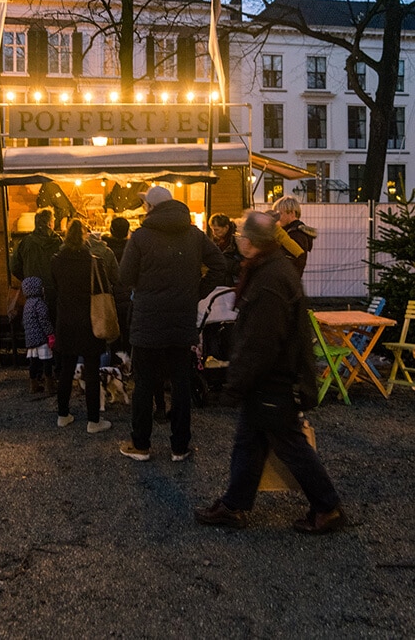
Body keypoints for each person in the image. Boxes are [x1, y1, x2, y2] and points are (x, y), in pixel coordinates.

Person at [194, 210, 346, 535]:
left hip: (275, 381)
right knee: (250, 440)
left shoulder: (269, 280)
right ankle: (234, 506)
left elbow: (259, 342)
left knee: (290, 444)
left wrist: (234, 385)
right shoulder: (271, 269)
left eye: (243, 236)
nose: (240, 240)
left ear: (253, 243)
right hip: (273, 380)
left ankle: (328, 506)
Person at [118, 186, 226, 462]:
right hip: (181, 317)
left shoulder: (141, 236)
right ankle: (180, 446)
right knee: (180, 383)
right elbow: (219, 265)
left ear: (151, 208)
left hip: (148, 320)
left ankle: (141, 444)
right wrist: (197, 291)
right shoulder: (194, 234)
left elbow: (125, 276)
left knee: (143, 383)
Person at [51, 219, 112, 434]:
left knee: (66, 370)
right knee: (92, 371)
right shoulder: (94, 261)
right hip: (90, 321)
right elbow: (106, 287)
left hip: (65, 321)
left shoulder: (56, 261)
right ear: (85, 236)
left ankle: (63, 414)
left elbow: (53, 290)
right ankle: (93, 421)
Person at [11, 208, 62, 320]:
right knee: (52, 327)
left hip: (32, 294)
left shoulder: (25, 243)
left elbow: (14, 266)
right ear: (49, 223)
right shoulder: (58, 242)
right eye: (53, 220)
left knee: (36, 327)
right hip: (53, 293)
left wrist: (27, 279)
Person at [21, 277, 56, 395]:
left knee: (33, 363)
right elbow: (44, 321)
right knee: (47, 362)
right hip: (42, 339)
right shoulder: (39, 303)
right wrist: (50, 334)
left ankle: (33, 386)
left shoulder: (27, 304)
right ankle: (49, 386)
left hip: (30, 340)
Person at [272, 195, 317, 278]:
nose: (278, 218)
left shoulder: (296, 234)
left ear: (292, 213)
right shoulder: (293, 231)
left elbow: (289, 261)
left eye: (280, 214)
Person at [208, 213, 242, 286]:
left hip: (235, 281)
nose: (214, 233)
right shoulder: (217, 241)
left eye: (217, 230)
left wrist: (223, 262)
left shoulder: (237, 240)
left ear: (226, 227)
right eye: (212, 230)